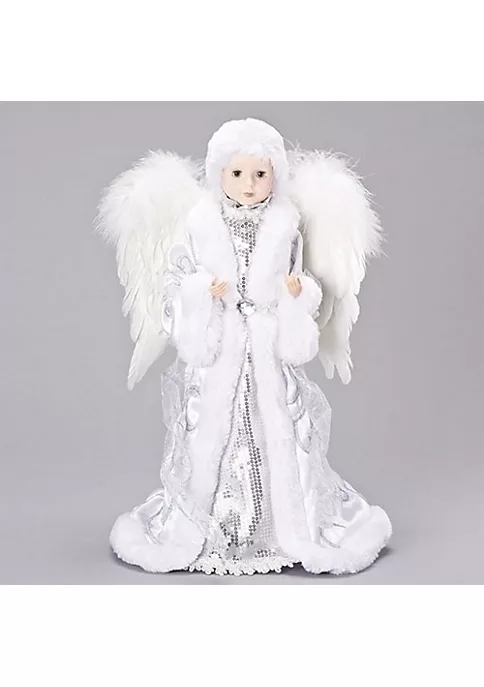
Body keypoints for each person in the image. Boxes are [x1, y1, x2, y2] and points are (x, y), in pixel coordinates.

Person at [97, 117, 392, 575]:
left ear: (275, 175)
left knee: (276, 431)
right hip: (221, 349)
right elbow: (177, 280)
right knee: (216, 435)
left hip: (268, 350)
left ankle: (277, 527)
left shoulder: (286, 225)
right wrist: (200, 293)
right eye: (237, 173)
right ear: (219, 174)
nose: (249, 184)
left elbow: (298, 278)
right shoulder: (200, 222)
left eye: (260, 174)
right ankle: (217, 529)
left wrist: (299, 296)